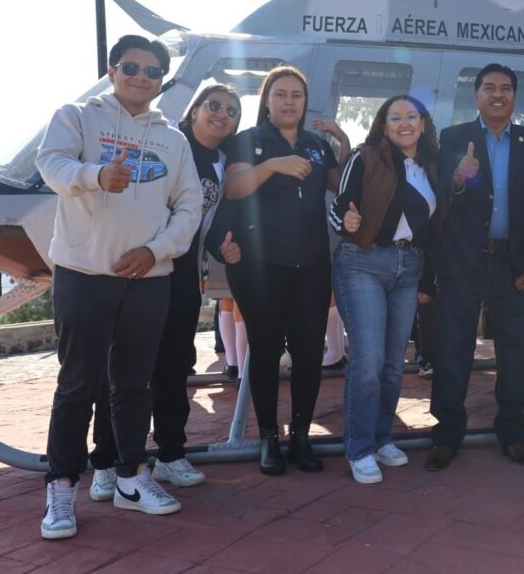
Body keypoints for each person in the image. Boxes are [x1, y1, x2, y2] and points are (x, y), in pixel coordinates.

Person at [35, 34, 203, 539]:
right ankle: (61, 487)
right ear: (112, 71)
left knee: (134, 385)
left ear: (161, 82)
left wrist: (155, 251)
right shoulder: (77, 116)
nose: (141, 77)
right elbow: (51, 163)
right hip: (84, 277)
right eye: (131, 66)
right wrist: (94, 174)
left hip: (148, 280)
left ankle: (131, 478)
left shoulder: (173, 140)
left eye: (153, 72)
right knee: (78, 386)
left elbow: (190, 205)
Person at [87, 84, 243, 503]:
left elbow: (205, 223)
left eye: (231, 110)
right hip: (139, 268)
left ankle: (170, 453)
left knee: (175, 366)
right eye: (213, 105)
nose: (221, 113)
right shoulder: (167, 143)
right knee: (122, 370)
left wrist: (222, 248)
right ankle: (106, 460)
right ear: (193, 111)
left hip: (181, 275)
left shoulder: (223, 163)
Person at [207, 65, 346, 476]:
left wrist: (343, 142)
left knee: (307, 354)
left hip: (311, 264)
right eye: (281, 94)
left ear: (304, 103)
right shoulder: (248, 141)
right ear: (267, 99)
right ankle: (269, 436)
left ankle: (300, 436)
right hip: (260, 266)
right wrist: (273, 166)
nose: (289, 102)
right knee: (265, 352)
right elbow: (234, 188)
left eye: (296, 95)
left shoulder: (317, 145)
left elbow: (340, 185)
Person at [425, 64, 524, 471]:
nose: (497, 94)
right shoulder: (453, 138)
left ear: (514, 96)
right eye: (489, 88)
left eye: (505, 88)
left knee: (515, 351)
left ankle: (514, 433)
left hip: (515, 264)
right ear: (476, 95)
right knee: (453, 349)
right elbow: (441, 199)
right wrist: (459, 179)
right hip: (463, 260)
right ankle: (446, 435)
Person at [330, 95, 440, 484]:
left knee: (395, 362)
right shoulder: (365, 157)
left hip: (408, 267)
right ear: (384, 124)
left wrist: (428, 277)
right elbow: (339, 206)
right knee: (370, 358)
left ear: (423, 124)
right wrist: (348, 220)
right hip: (363, 262)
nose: (404, 123)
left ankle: (381, 438)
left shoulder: (431, 166)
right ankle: (359, 448)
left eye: (412, 117)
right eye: (396, 117)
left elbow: (434, 229)